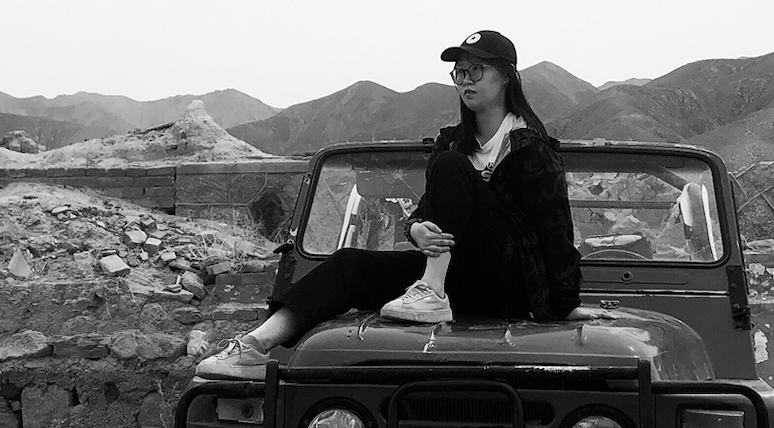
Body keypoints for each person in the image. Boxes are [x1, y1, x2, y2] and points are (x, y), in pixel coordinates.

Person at [196, 30, 591, 381]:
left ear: (506, 76)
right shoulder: (454, 141)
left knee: (450, 165)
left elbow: (555, 227)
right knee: (348, 265)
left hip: (508, 283)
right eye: (459, 73)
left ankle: (432, 288)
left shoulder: (530, 146)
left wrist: (566, 302)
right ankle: (253, 346)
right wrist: (416, 229)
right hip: (455, 278)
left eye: (476, 70)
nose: (465, 80)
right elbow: (426, 210)